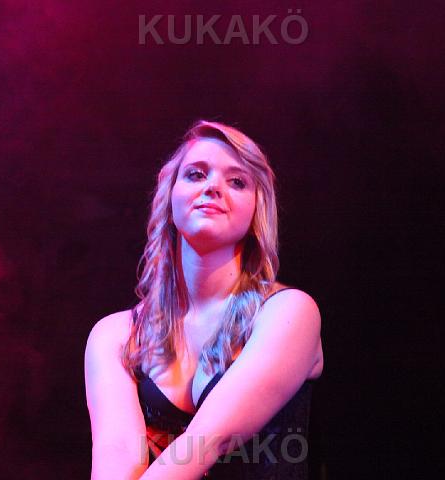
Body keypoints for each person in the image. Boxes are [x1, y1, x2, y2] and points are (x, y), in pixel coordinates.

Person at [84, 120, 324, 479]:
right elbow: (116, 454)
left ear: (256, 208)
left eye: (237, 181)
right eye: (196, 175)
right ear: (170, 195)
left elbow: (209, 442)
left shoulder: (288, 313)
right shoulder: (115, 336)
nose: (213, 187)